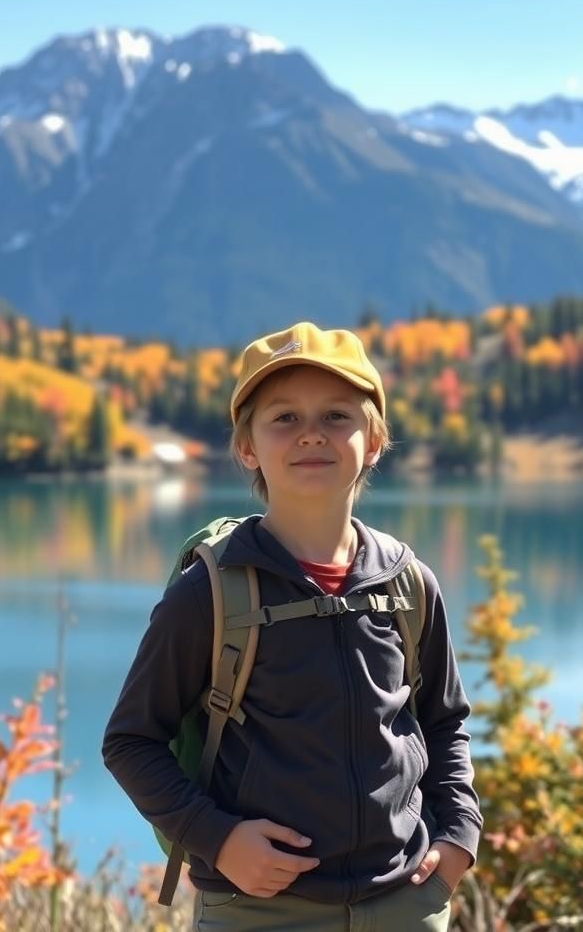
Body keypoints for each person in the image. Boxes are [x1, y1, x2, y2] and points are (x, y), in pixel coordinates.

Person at [102, 321, 482, 931]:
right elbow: (131, 742)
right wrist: (219, 838)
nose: (311, 433)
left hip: (406, 903)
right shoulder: (211, 592)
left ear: (374, 440)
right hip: (259, 911)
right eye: (284, 418)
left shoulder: (408, 584)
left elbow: (443, 724)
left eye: (336, 415)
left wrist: (459, 832)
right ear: (247, 447)